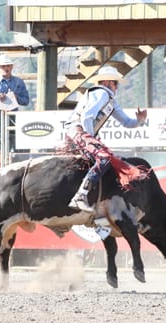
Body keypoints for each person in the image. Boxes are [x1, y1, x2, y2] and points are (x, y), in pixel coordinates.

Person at [63, 66, 148, 239]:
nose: (117, 87)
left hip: (79, 132)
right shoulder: (101, 93)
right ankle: (81, 196)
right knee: (103, 158)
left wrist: (139, 121)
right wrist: (90, 138)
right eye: (116, 83)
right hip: (77, 130)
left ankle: (94, 207)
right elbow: (87, 116)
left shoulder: (109, 99)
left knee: (104, 162)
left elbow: (126, 122)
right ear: (108, 82)